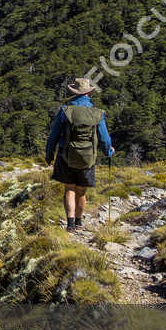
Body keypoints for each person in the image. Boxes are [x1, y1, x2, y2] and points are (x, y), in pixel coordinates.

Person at [44, 76, 114, 229]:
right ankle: (79, 221)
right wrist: (108, 151)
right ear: (89, 93)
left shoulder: (65, 111)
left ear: (75, 92)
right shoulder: (97, 113)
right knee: (81, 191)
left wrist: (49, 155)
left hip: (66, 156)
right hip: (88, 157)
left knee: (69, 189)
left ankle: (70, 224)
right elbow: (104, 138)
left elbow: (53, 136)